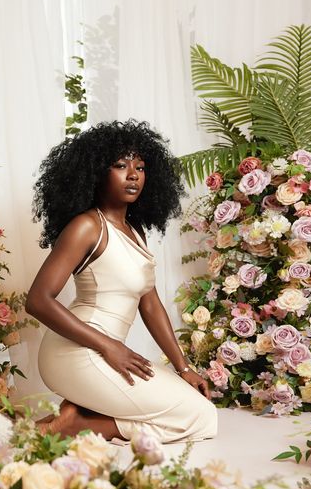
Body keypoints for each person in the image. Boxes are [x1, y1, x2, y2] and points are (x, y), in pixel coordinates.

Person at [26, 120, 217, 442]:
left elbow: (150, 302)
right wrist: (109, 345)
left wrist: (183, 367)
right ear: (96, 172)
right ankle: (75, 424)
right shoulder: (86, 226)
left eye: (140, 167)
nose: (133, 175)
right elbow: (38, 300)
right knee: (200, 417)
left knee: (198, 406)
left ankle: (78, 412)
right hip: (79, 352)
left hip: (109, 353)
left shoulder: (134, 232)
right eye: (120, 166)